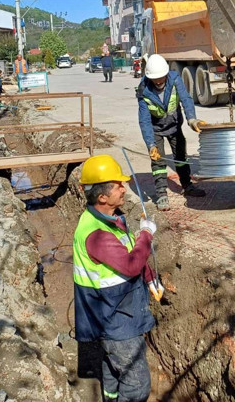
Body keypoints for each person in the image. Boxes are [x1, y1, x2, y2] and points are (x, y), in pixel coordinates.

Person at [74, 155, 163, 402]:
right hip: (113, 318)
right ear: (102, 196)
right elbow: (130, 263)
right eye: (118, 185)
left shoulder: (108, 219)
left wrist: (150, 278)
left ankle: (110, 397)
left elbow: (129, 253)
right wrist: (146, 234)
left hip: (111, 310)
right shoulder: (97, 234)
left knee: (112, 368)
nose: (125, 189)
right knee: (137, 386)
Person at [137, 54, 206, 210]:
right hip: (156, 130)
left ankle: (187, 186)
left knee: (181, 157)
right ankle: (161, 194)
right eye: (156, 79)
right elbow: (144, 120)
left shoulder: (174, 79)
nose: (159, 81)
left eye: (161, 77)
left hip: (174, 126)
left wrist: (192, 119)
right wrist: (150, 144)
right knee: (158, 161)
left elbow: (186, 99)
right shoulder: (143, 90)